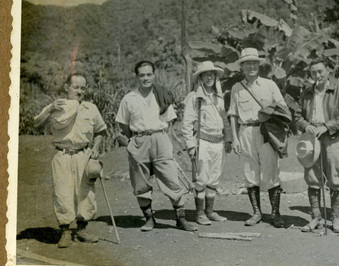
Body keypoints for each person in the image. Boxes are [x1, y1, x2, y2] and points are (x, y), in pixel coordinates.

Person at [115, 60, 197, 232]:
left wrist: (166, 142)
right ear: (137, 77)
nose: (146, 78)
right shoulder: (129, 99)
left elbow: (170, 122)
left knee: (171, 178)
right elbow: (123, 124)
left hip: (160, 138)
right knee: (141, 182)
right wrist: (133, 140)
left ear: (154, 74)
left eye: (149, 74)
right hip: (138, 140)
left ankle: (180, 219)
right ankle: (149, 219)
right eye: (142, 75)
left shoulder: (161, 94)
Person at [34, 73, 107, 248]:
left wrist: (96, 148)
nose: (79, 91)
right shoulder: (57, 106)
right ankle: (65, 231)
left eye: (83, 88)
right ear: (67, 87)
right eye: (76, 87)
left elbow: (100, 131)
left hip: (83, 155)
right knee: (62, 194)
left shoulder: (91, 108)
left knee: (86, 194)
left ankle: (82, 229)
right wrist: (50, 108)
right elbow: (37, 125)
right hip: (62, 155)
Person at [227, 47, 290, 228]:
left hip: (266, 132)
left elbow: (283, 108)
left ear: (259, 65)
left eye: (254, 62)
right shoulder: (236, 88)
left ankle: (275, 214)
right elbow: (233, 114)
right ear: (242, 66)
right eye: (247, 63)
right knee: (250, 173)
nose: (251, 66)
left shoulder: (269, 85)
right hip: (245, 132)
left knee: (271, 172)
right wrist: (235, 138)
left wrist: (268, 113)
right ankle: (256, 213)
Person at [294, 59, 339, 233]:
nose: (317, 76)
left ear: (328, 72)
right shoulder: (307, 92)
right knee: (312, 179)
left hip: (332, 139)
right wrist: (306, 125)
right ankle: (316, 217)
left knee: (335, 179)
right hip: (311, 139)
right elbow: (297, 115)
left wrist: (326, 127)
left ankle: (335, 218)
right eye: (313, 73)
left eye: (320, 71)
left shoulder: (338, 91)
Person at [181, 61, 232, 225]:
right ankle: (200, 213)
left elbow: (223, 118)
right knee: (201, 178)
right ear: (200, 78)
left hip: (218, 142)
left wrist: (228, 138)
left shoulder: (219, 96)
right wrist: (190, 145)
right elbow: (187, 123)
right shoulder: (194, 97)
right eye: (205, 74)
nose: (209, 77)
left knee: (214, 178)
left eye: (212, 74)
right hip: (202, 142)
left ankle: (210, 211)